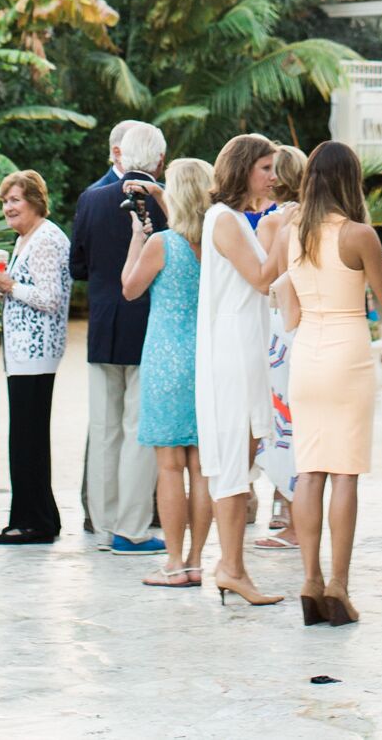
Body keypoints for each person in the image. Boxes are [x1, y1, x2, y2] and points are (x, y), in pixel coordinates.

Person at [275, 141, 382, 627]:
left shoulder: (295, 232)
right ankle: (339, 587)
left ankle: (309, 580)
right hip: (348, 353)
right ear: (351, 180)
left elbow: (295, 301)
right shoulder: (359, 234)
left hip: (306, 354)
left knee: (310, 470)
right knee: (344, 472)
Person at [193, 134, 283, 603]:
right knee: (231, 457)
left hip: (245, 343)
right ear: (243, 169)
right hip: (230, 348)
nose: (273, 176)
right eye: (266, 168)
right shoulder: (224, 219)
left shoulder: (239, 221)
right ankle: (230, 566)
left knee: (243, 456)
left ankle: (233, 564)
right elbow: (262, 278)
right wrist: (287, 231)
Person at [71, 120, 167, 555]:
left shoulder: (90, 200)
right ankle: (132, 526)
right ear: (160, 160)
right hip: (149, 324)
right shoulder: (167, 203)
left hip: (103, 324)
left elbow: (78, 266)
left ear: (121, 155)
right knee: (137, 430)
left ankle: (105, 523)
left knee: (105, 427)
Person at [122, 158, 211, 586]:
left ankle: (174, 562)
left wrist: (137, 239)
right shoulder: (216, 241)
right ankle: (196, 560)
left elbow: (130, 288)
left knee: (170, 468)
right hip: (207, 358)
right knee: (201, 467)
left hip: (165, 358)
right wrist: (159, 195)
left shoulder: (162, 244)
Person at [0, 168, 71, 545]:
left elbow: (51, 298)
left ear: (35, 201)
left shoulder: (47, 240)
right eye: (5, 201)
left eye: (15, 200)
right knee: (25, 437)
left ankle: (32, 521)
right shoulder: (23, 240)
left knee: (27, 438)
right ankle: (39, 515)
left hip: (36, 351)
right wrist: (6, 289)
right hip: (22, 351)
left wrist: (12, 286)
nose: (8, 207)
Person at [256, 142, 307, 547]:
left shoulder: (273, 223)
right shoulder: (316, 217)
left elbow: (263, 281)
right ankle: (291, 508)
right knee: (298, 420)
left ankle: (288, 513)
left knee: (279, 420)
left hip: (278, 325)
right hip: (309, 325)